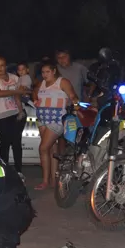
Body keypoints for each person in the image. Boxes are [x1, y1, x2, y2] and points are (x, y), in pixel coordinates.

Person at [33, 59, 78, 190]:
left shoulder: (62, 82)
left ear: (54, 71)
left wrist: (76, 105)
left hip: (57, 119)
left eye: (47, 72)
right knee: (52, 149)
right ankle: (53, 179)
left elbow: (72, 96)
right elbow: (34, 92)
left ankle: (45, 181)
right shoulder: (41, 83)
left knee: (43, 148)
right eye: (43, 72)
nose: (45, 74)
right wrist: (35, 99)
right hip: (42, 118)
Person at [0, 55, 29, 175]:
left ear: (6, 66)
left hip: (18, 113)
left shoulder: (15, 77)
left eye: (2, 65)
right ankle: (4, 171)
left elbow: (25, 90)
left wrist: (24, 92)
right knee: (5, 143)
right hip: (2, 116)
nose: (0, 68)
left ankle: (18, 171)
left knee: (16, 143)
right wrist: (17, 91)